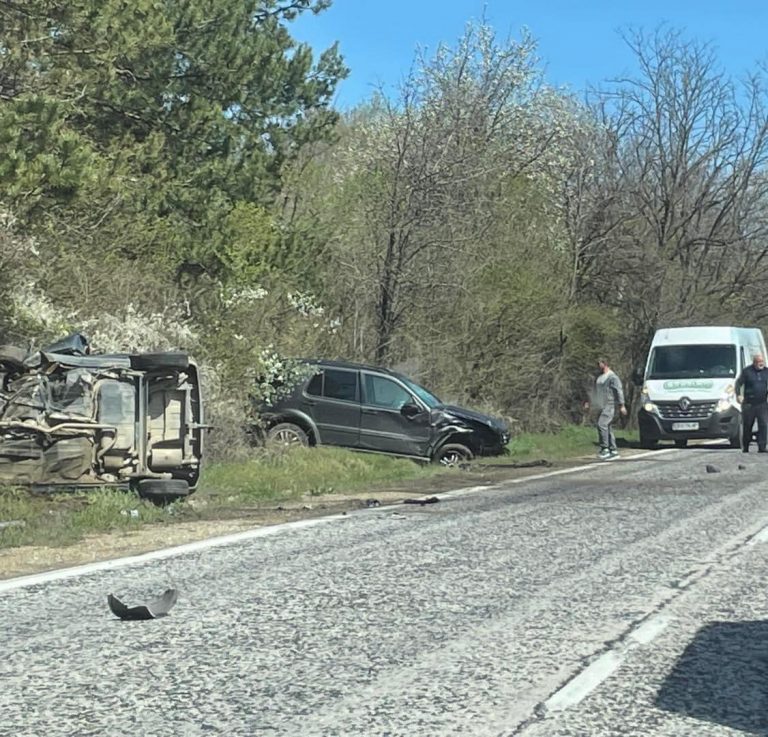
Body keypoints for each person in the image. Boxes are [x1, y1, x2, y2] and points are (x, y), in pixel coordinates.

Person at [584, 358, 628, 460]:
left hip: (610, 404)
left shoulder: (612, 378)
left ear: (605, 364)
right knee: (607, 426)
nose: (598, 365)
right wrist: (589, 402)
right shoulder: (599, 377)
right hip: (601, 404)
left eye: (600, 363)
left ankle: (605, 448)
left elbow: (619, 391)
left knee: (602, 424)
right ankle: (613, 450)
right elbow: (594, 391)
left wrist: (622, 405)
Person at [735, 352, 768, 453]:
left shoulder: (766, 371)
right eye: (759, 362)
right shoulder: (747, 371)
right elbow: (738, 383)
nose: (761, 363)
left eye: (762, 361)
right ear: (754, 362)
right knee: (748, 425)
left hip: (762, 403)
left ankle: (762, 447)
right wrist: (739, 395)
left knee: (764, 424)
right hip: (749, 403)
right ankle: (745, 446)